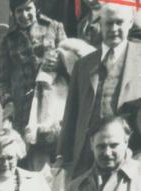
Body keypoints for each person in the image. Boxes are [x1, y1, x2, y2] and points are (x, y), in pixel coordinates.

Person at [60, 3, 141, 178]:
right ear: (101, 25)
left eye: (119, 23)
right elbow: (71, 114)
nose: (114, 29)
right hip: (88, 158)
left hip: (132, 156)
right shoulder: (83, 66)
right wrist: (66, 155)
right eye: (108, 23)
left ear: (129, 24)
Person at [0, 0, 66, 137]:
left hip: (52, 101)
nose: (24, 15)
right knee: (29, 150)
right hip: (23, 108)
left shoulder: (54, 27)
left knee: (57, 145)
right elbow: (2, 80)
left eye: (28, 9)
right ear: (13, 13)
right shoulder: (8, 40)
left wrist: (59, 65)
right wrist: (8, 103)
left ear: (36, 8)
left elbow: (71, 62)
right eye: (19, 11)